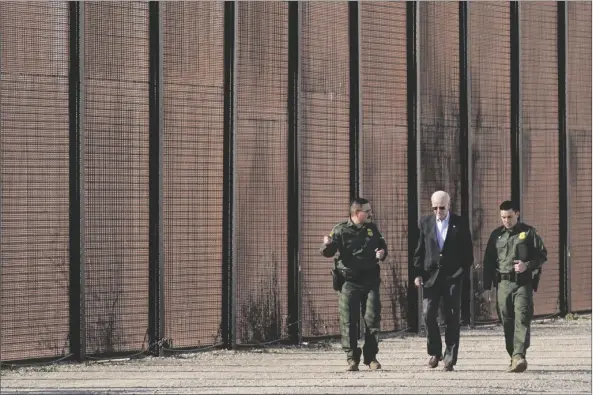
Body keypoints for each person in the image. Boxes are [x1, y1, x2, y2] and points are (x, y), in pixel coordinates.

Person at [320, 198, 387, 371]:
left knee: (372, 319)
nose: (370, 213)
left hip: (370, 280)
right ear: (357, 213)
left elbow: (382, 246)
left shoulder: (372, 228)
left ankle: (371, 357)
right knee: (348, 321)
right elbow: (328, 252)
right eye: (367, 210)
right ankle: (352, 358)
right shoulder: (341, 230)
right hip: (349, 282)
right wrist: (326, 245)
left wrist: (382, 253)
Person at [482, 200, 547, 373]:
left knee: (522, 317)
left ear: (517, 214)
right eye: (503, 217)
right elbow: (488, 261)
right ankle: (514, 356)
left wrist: (527, 265)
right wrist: (486, 287)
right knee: (507, 320)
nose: (507, 220)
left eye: (510, 216)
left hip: (522, 283)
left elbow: (542, 255)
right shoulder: (496, 235)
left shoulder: (528, 232)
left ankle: (519, 355)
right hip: (503, 284)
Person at [413, 190, 473, 371]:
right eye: (435, 208)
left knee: (452, 316)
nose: (438, 211)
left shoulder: (459, 223)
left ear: (449, 205)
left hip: (452, 276)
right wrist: (417, 273)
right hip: (431, 276)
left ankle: (450, 356)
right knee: (428, 313)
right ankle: (435, 351)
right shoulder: (425, 223)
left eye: (441, 207)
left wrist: (461, 271)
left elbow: (467, 252)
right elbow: (419, 250)